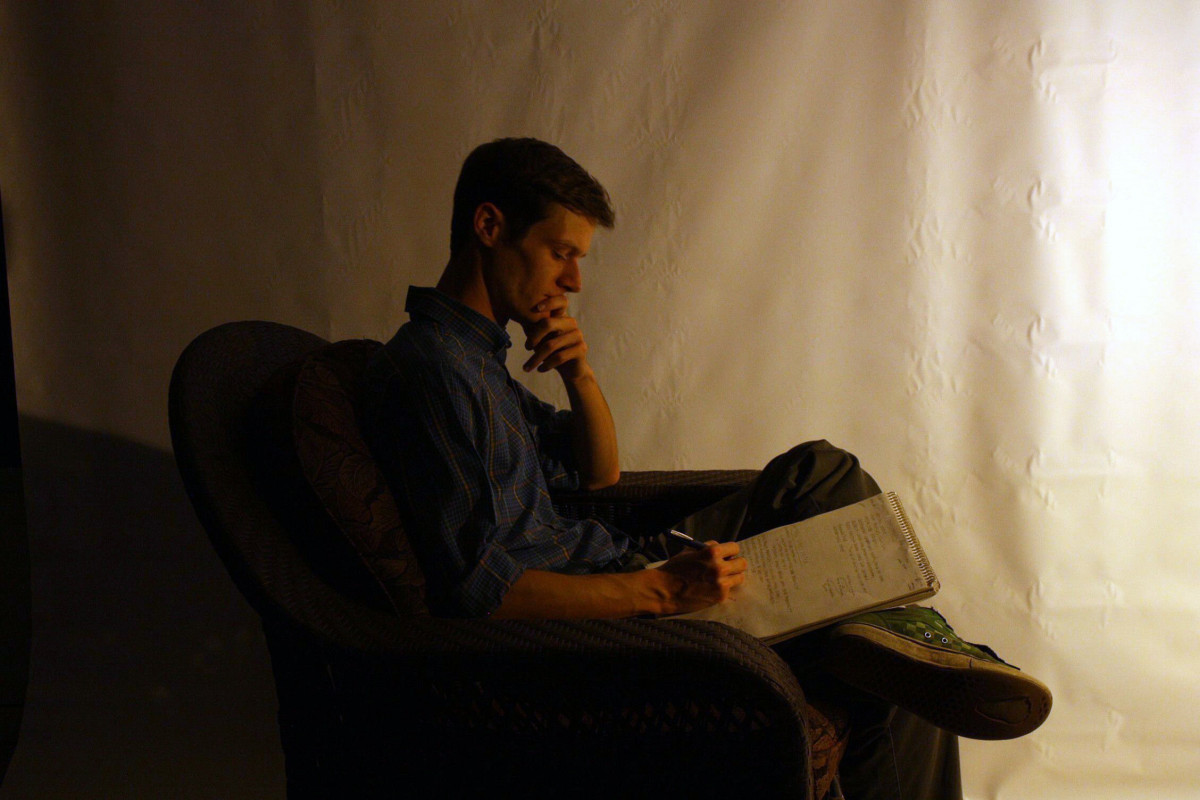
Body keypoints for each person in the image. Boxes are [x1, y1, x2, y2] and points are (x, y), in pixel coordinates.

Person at [360, 137, 1050, 799]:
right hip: (595, 627)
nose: (573, 279)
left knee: (820, 474)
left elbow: (598, 477)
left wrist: (580, 373)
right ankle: (912, 640)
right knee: (887, 676)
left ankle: (903, 637)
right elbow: (486, 594)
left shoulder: (476, 360)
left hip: (617, 567)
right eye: (561, 252)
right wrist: (663, 591)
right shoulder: (433, 371)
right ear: (489, 225)